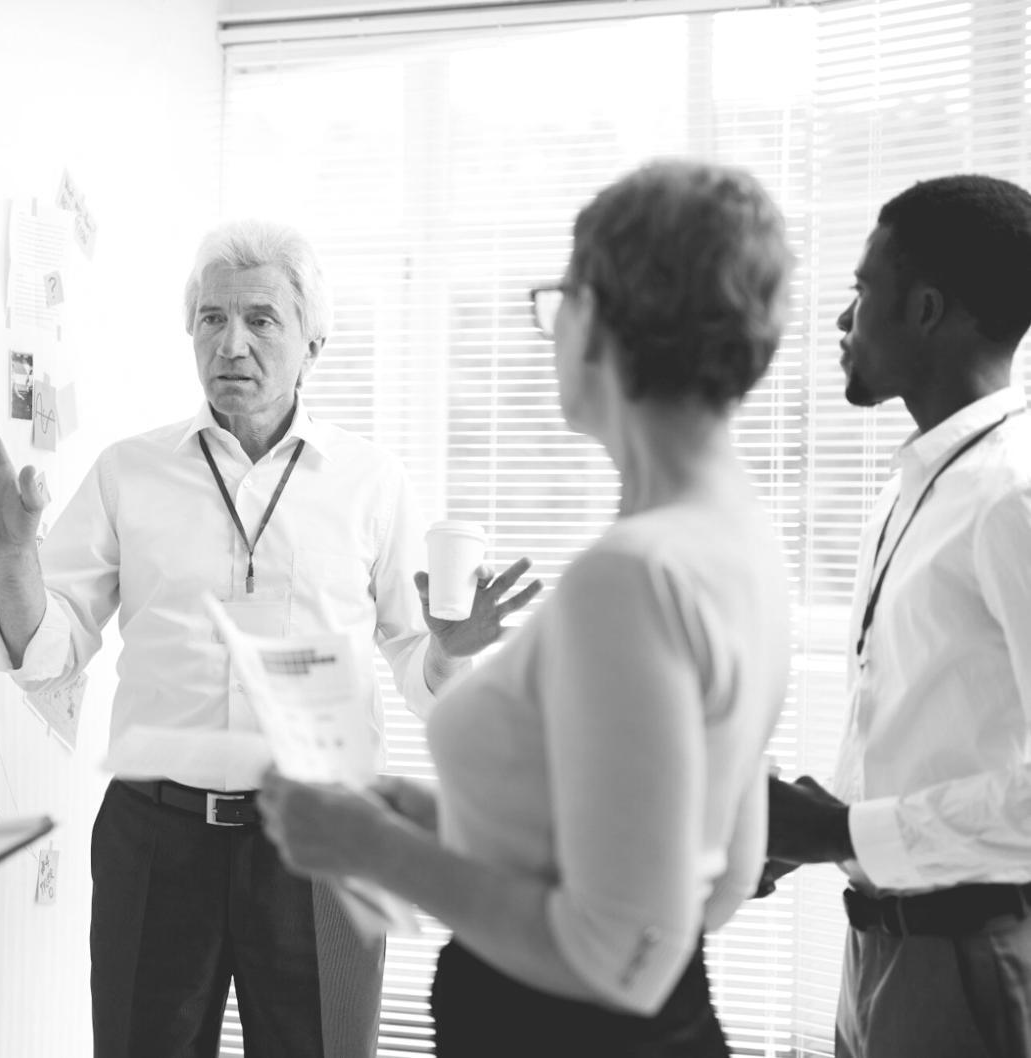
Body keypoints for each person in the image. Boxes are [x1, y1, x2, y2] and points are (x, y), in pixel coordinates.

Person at [0, 218, 539, 1057]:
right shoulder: (128, 471)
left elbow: (414, 661)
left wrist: (449, 650)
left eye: (261, 319)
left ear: (313, 343)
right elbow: (50, 652)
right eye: (211, 318)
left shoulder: (373, 483)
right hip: (156, 835)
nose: (232, 343)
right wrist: (10, 555)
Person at [259, 160, 794, 1056]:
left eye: (561, 299)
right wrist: (429, 816)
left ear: (607, 317)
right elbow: (719, 877)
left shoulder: (631, 577)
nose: (551, 331)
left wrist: (372, 850)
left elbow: (621, 954)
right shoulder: (740, 534)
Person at [764, 174, 1031, 1058]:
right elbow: (937, 728)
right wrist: (809, 830)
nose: (844, 321)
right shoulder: (916, 487)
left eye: (861, 290)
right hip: (878, 950)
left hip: (968, 959)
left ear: (924, 309)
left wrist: (837, 831)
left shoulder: (1013, 495)